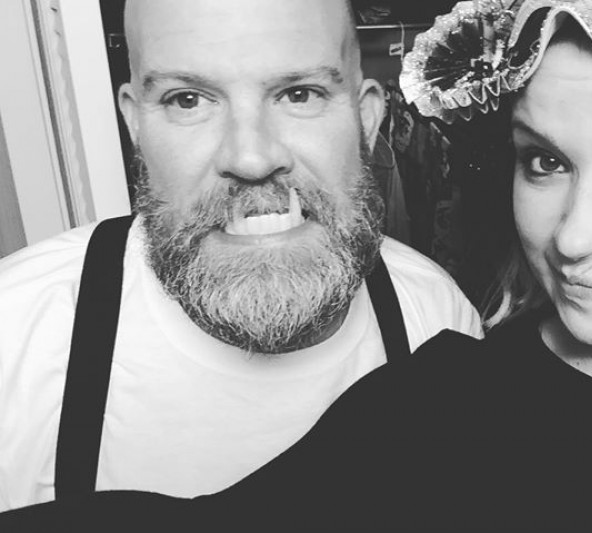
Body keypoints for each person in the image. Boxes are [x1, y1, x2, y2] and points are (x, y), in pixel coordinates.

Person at [4, 0, 592, 530]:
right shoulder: (451, 399)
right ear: (133, 123)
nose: (574, 237)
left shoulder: (429, 309)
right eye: (545, 161)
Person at [0, 0, 482, 513]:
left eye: (299, 94)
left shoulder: (434, 316)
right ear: (135, 124)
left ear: (366, 117)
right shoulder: (16, 339)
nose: (251, 159)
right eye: (187, 100)